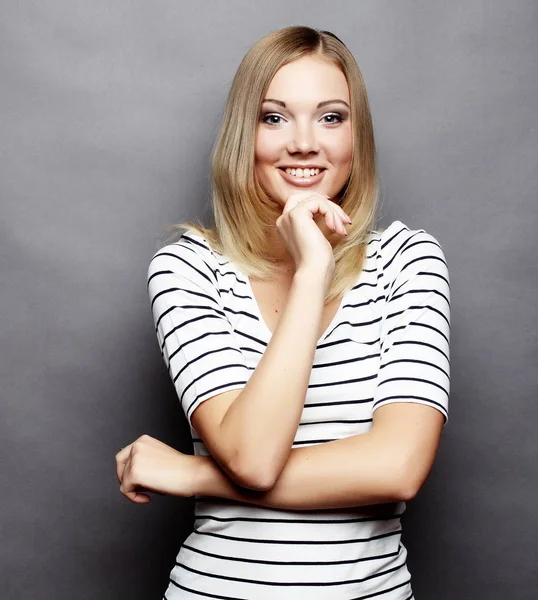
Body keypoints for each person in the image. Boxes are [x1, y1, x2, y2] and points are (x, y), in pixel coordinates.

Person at [116, 25, 450, 599]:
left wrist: (192, 474)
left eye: (330, 117)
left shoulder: (408, 262)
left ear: (356, 137)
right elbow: (252, 459)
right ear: (243, 135)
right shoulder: (189, 269)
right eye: (274, 118)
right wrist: (311, 272)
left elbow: (398, 467)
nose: (303, 143)